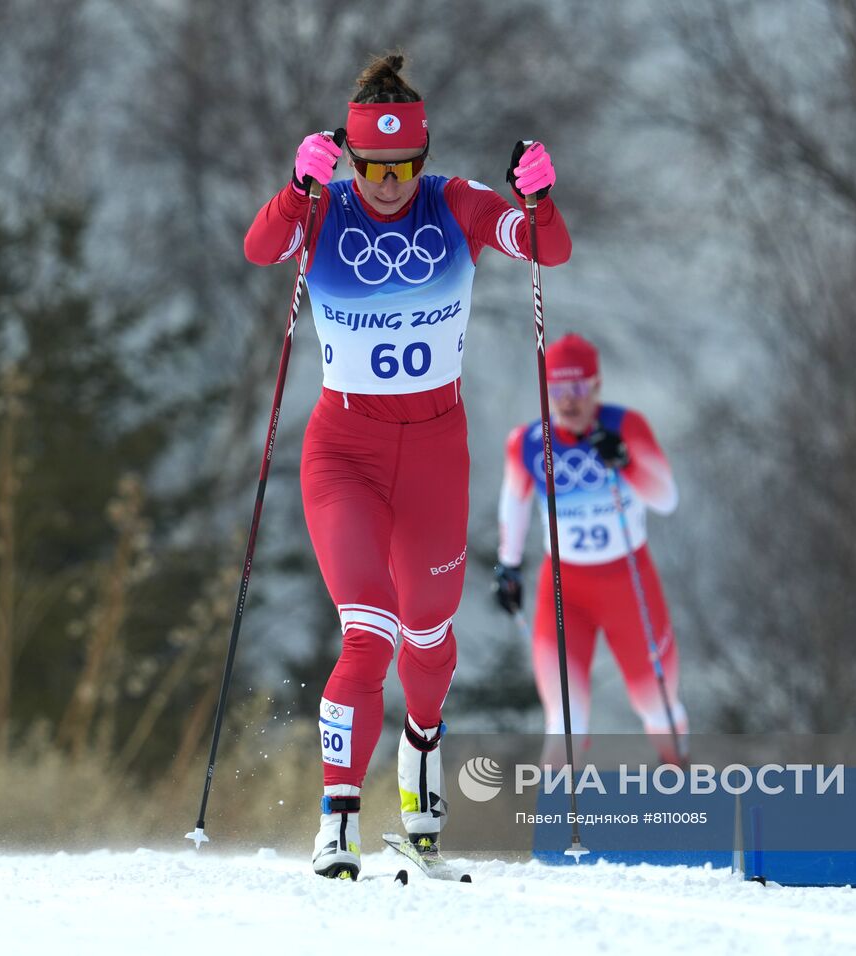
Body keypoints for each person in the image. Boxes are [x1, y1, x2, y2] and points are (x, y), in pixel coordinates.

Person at [243, 53, 571, 879]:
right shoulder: (323, 211)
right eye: (372, 167)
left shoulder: (453, 204)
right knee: (369, 634)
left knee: (429, 632)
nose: (388, 183)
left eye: (403, 166)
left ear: (422, 159)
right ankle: (338, 820)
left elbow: (545, 250)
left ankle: (422, 770)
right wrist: (295, 186)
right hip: (344, 452)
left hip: (434, 451)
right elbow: (260, 248)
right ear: (349, 161)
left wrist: (539, 196)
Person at [493, 333, 688, 766]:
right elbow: (514, 506)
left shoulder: (625, 427)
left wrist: (626, 462)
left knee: (657, 703)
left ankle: (682, 784)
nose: (568, 401)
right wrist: (508, 566)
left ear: (596, 386)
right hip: (565, 589)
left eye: (578, 389)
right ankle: (555, 824)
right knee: (563, 721)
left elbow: (666, 499)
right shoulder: (527, 442)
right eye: (557, 391)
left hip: (627, 585)